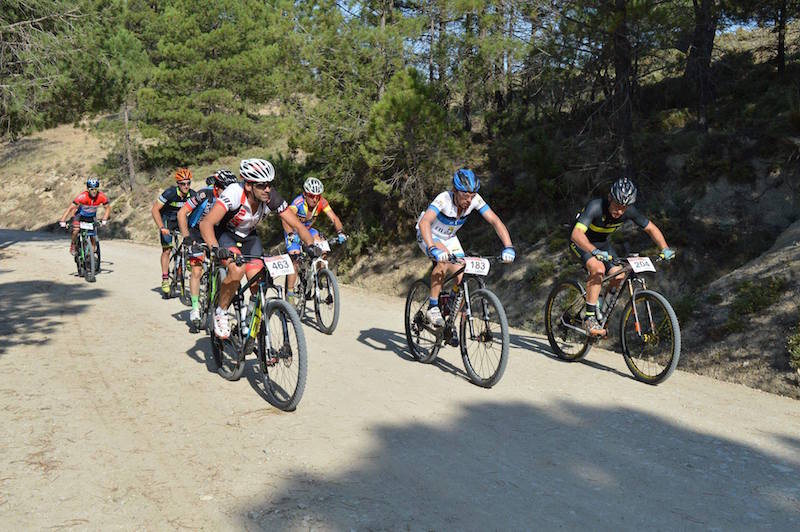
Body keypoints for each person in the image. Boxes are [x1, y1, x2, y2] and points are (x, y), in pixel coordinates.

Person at [199, 158, 318, 339]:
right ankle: (221, 312)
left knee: (257, 280)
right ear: (248, 185)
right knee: (237, 269)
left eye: (269, 184)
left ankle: (248, 322)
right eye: (262, 185)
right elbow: (207, 223)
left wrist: (310, 246)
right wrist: (215, 248)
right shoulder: (233, 193)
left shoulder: (271, 197)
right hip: (226, 234)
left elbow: (298, 226)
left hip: (249, 236)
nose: (268, 189)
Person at [569, 177, 675, 337]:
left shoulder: (629, 211)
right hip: (581, 242)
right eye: (617, 206)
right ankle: (589, 319)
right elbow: (576, 234)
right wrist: (593, 251)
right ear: (610, 198)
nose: (619, 211)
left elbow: (651, 228)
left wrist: (664, 248)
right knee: (597, 269)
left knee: (618, 274)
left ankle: (600, 309)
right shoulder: (596, 206)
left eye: (624, 208)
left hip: (602, 244)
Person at [416, 168, 515, 328]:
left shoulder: (475, 200)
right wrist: (433, 247)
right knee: (443, 261)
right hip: (428, 234)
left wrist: (508, 246)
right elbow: (425, 222)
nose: (469, 200)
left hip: (448, 237)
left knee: (463, 274)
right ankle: (433, 307)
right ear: (455, 190)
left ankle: (450, 313)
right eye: (465, 195)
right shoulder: (444, 199)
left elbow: (495, 221)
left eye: (472, 196)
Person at [177, 169, 239, 327]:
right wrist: (186, 237)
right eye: (227, 189)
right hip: (196, 232)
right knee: (197, 270)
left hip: (216, 233)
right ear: (217, 187)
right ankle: (196, 308)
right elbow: (182, 212)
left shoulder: (232, 200)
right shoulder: (204, 194)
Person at [281, 176, 347, 306]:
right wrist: (290, 234)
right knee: (295, 258)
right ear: (305, 194)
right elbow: (285, 219)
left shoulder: (322, 202)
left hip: (308, 231)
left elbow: (334, 218)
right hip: (293, 231)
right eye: (312, 196)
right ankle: (289, 294)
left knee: (322, 246)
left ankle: (320, 275)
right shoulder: (298, 202)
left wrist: (340, 232)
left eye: (318, 196)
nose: (315, 199)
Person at [151, 168, 196, 296]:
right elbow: (155, 210)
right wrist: (161, 227)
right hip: (167, 221)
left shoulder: (192, 194)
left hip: (181, 221)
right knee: (167, 249)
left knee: (190, 242)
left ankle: (186, 260)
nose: (186, 186)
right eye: (183, 184)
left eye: (188, 183)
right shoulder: (169, 193)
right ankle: (165, 279)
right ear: (178, 184)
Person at [58, 177, 110, 257]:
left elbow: (107, 208)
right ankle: (73, 244)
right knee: (76, 230)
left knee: (93, 235)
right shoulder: (82, 196)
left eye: (95, 189)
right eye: (91, 189)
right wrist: (62, 220)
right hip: (80, 216)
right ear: (88, 189)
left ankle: (91, 256)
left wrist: (104, 219)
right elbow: (70, 208)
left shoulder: (101, 197)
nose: (94, 191)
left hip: (91, 217)